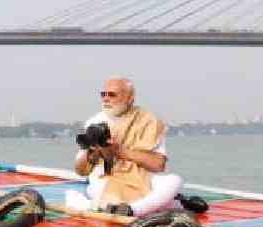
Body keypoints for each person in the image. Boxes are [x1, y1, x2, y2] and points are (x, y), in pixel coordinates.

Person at [73, 77, 182, 217]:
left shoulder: (147, 121)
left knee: (174, 181)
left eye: (112, 94)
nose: (106, 99)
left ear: (130, 98)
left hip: (142, 177)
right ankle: (159, 205)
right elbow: (80, 170)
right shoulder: (94, 122)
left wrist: (120, 151)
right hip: (107, 176)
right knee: (100, 191)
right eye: (103, 94)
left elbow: (158, 165)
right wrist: (91, 151)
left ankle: (132, 209)